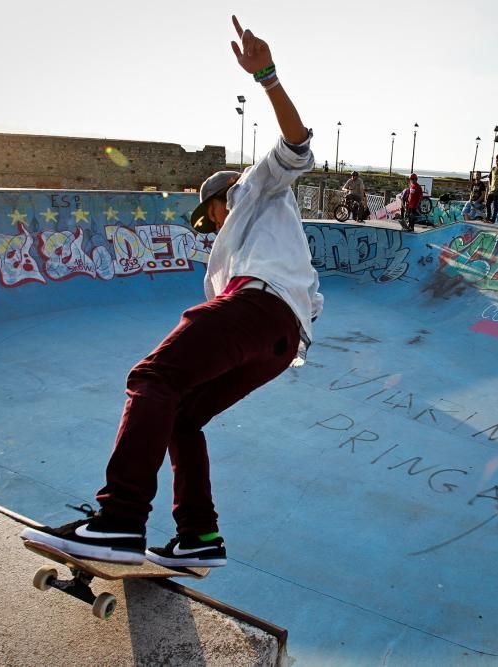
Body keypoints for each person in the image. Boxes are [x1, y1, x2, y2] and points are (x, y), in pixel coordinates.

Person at [20, 16, 323, 568]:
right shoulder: (256, 247)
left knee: (152, 378)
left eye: (208, 218)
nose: (209, 228)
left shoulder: (256, 188)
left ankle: (118, 522)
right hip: (283, 340)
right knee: (182, 416)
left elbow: (297, 144)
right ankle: (198, 537)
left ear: (219, 199)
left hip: (256, 309)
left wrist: (268, 77)